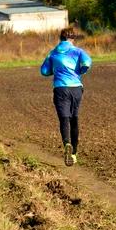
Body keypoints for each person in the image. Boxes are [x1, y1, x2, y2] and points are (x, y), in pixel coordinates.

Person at [40, 27, 92, 166]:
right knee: (74, 119)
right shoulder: (78, 51)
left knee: (64, 119)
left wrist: (55, 70)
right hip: (76, 88)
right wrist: (80, 70)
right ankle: (74, 154)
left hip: (60, 88)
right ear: (73, 39)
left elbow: (44, 71)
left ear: (61, 38)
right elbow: (87, 63)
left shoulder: (53, 53)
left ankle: (67, 144)